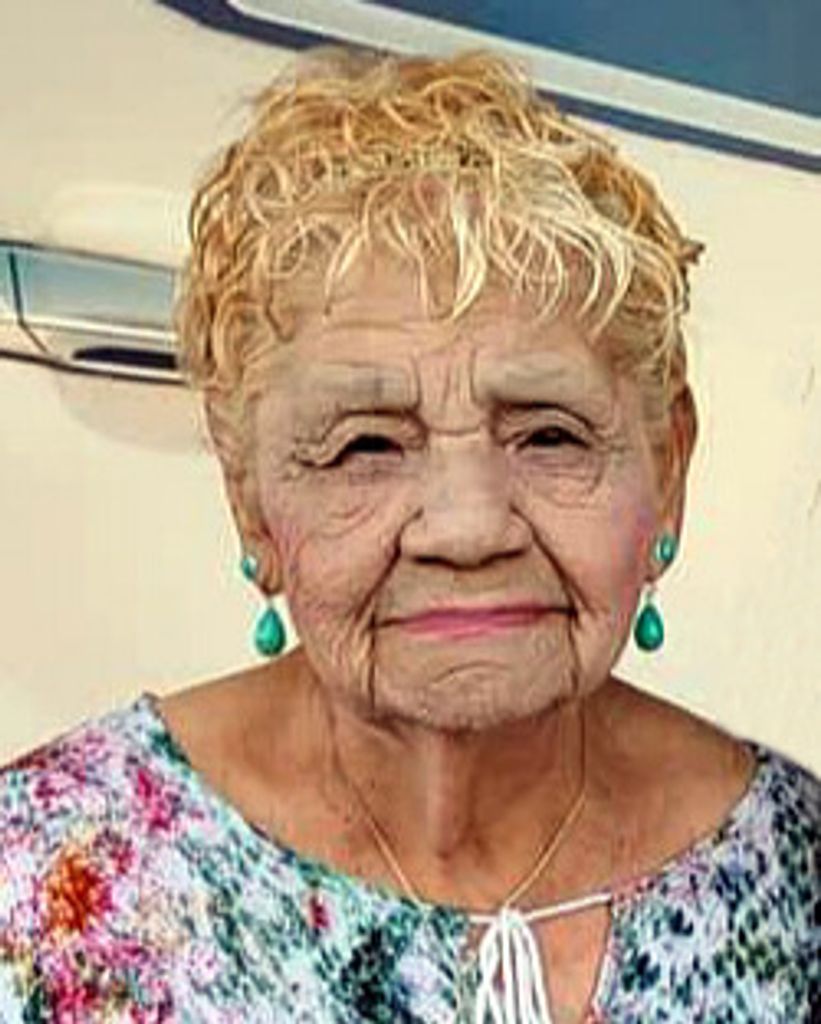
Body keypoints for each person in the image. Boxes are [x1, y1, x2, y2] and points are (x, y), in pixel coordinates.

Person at [0, 49, 817, 1024]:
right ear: (250, 499)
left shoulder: (793, 880)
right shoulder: (49, 884)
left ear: (667, 465)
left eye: (548, 435)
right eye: (366, 446)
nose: (466, 529)